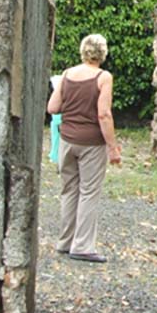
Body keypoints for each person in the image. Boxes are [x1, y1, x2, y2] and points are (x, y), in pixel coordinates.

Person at [47, 34, 122, 263]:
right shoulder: (103, 77)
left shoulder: (68, 74)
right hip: (91, 142)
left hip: (67, 140)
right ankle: (82, 245)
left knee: (69, 190)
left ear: (82, 51)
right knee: (89, 192)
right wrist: (113, 147)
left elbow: (52, 107)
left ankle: (65, 241)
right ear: (103, 53)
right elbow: (104, 114)